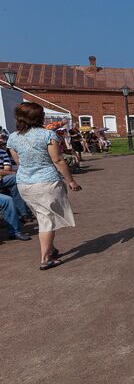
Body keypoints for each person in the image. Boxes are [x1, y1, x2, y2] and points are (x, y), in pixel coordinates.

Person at [7, 102, 82, 268]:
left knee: (42, 216)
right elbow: (58, 160)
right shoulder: (48, 135)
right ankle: (45, 258)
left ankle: (51, 248)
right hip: (46, 182)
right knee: (47, 220)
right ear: (39, 117)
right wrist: (71, 180)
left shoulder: (12, 137)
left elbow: (18, 162)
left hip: (24, 183)